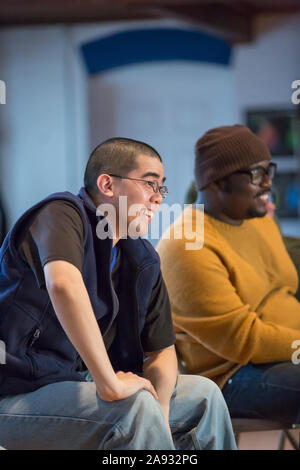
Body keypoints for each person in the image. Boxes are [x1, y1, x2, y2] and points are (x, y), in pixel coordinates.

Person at [0, 137, 236, 450]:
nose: (158, 199)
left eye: (162, 188)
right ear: (108, 185)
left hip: (70, 386)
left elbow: (161, 351)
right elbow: (63, 284)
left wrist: (161, 412)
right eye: (150, 184)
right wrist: (109, 383)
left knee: (204, 396)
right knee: (133, 407)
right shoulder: (62, 213)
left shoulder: (141, 258)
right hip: (14, 393)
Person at [157, 125, 300, 425]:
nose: (269, 183)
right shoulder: (188, 244)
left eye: (268, 170)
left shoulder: (256, 219)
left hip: (281, 354)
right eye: (257, 175)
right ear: (217, 183)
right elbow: (244, 340)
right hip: (233, 375)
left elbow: (285, 289)